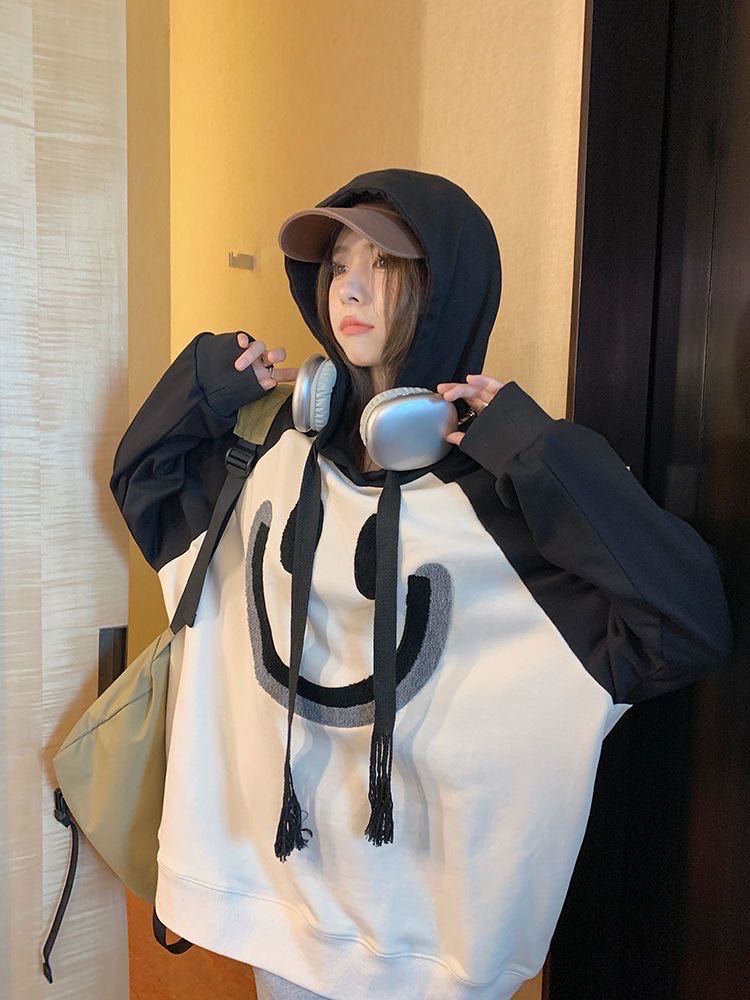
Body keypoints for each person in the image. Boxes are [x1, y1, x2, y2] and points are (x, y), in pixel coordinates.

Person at [110, 167, 733, 1000]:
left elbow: (684, 625)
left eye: (386, 265)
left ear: (447, 290)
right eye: (338, 265)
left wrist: (536, 452)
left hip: (426, 944)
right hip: (276, 904)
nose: (350, 286)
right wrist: (202, 383)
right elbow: (147, 488)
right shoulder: (271, 462)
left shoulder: (509, 503)